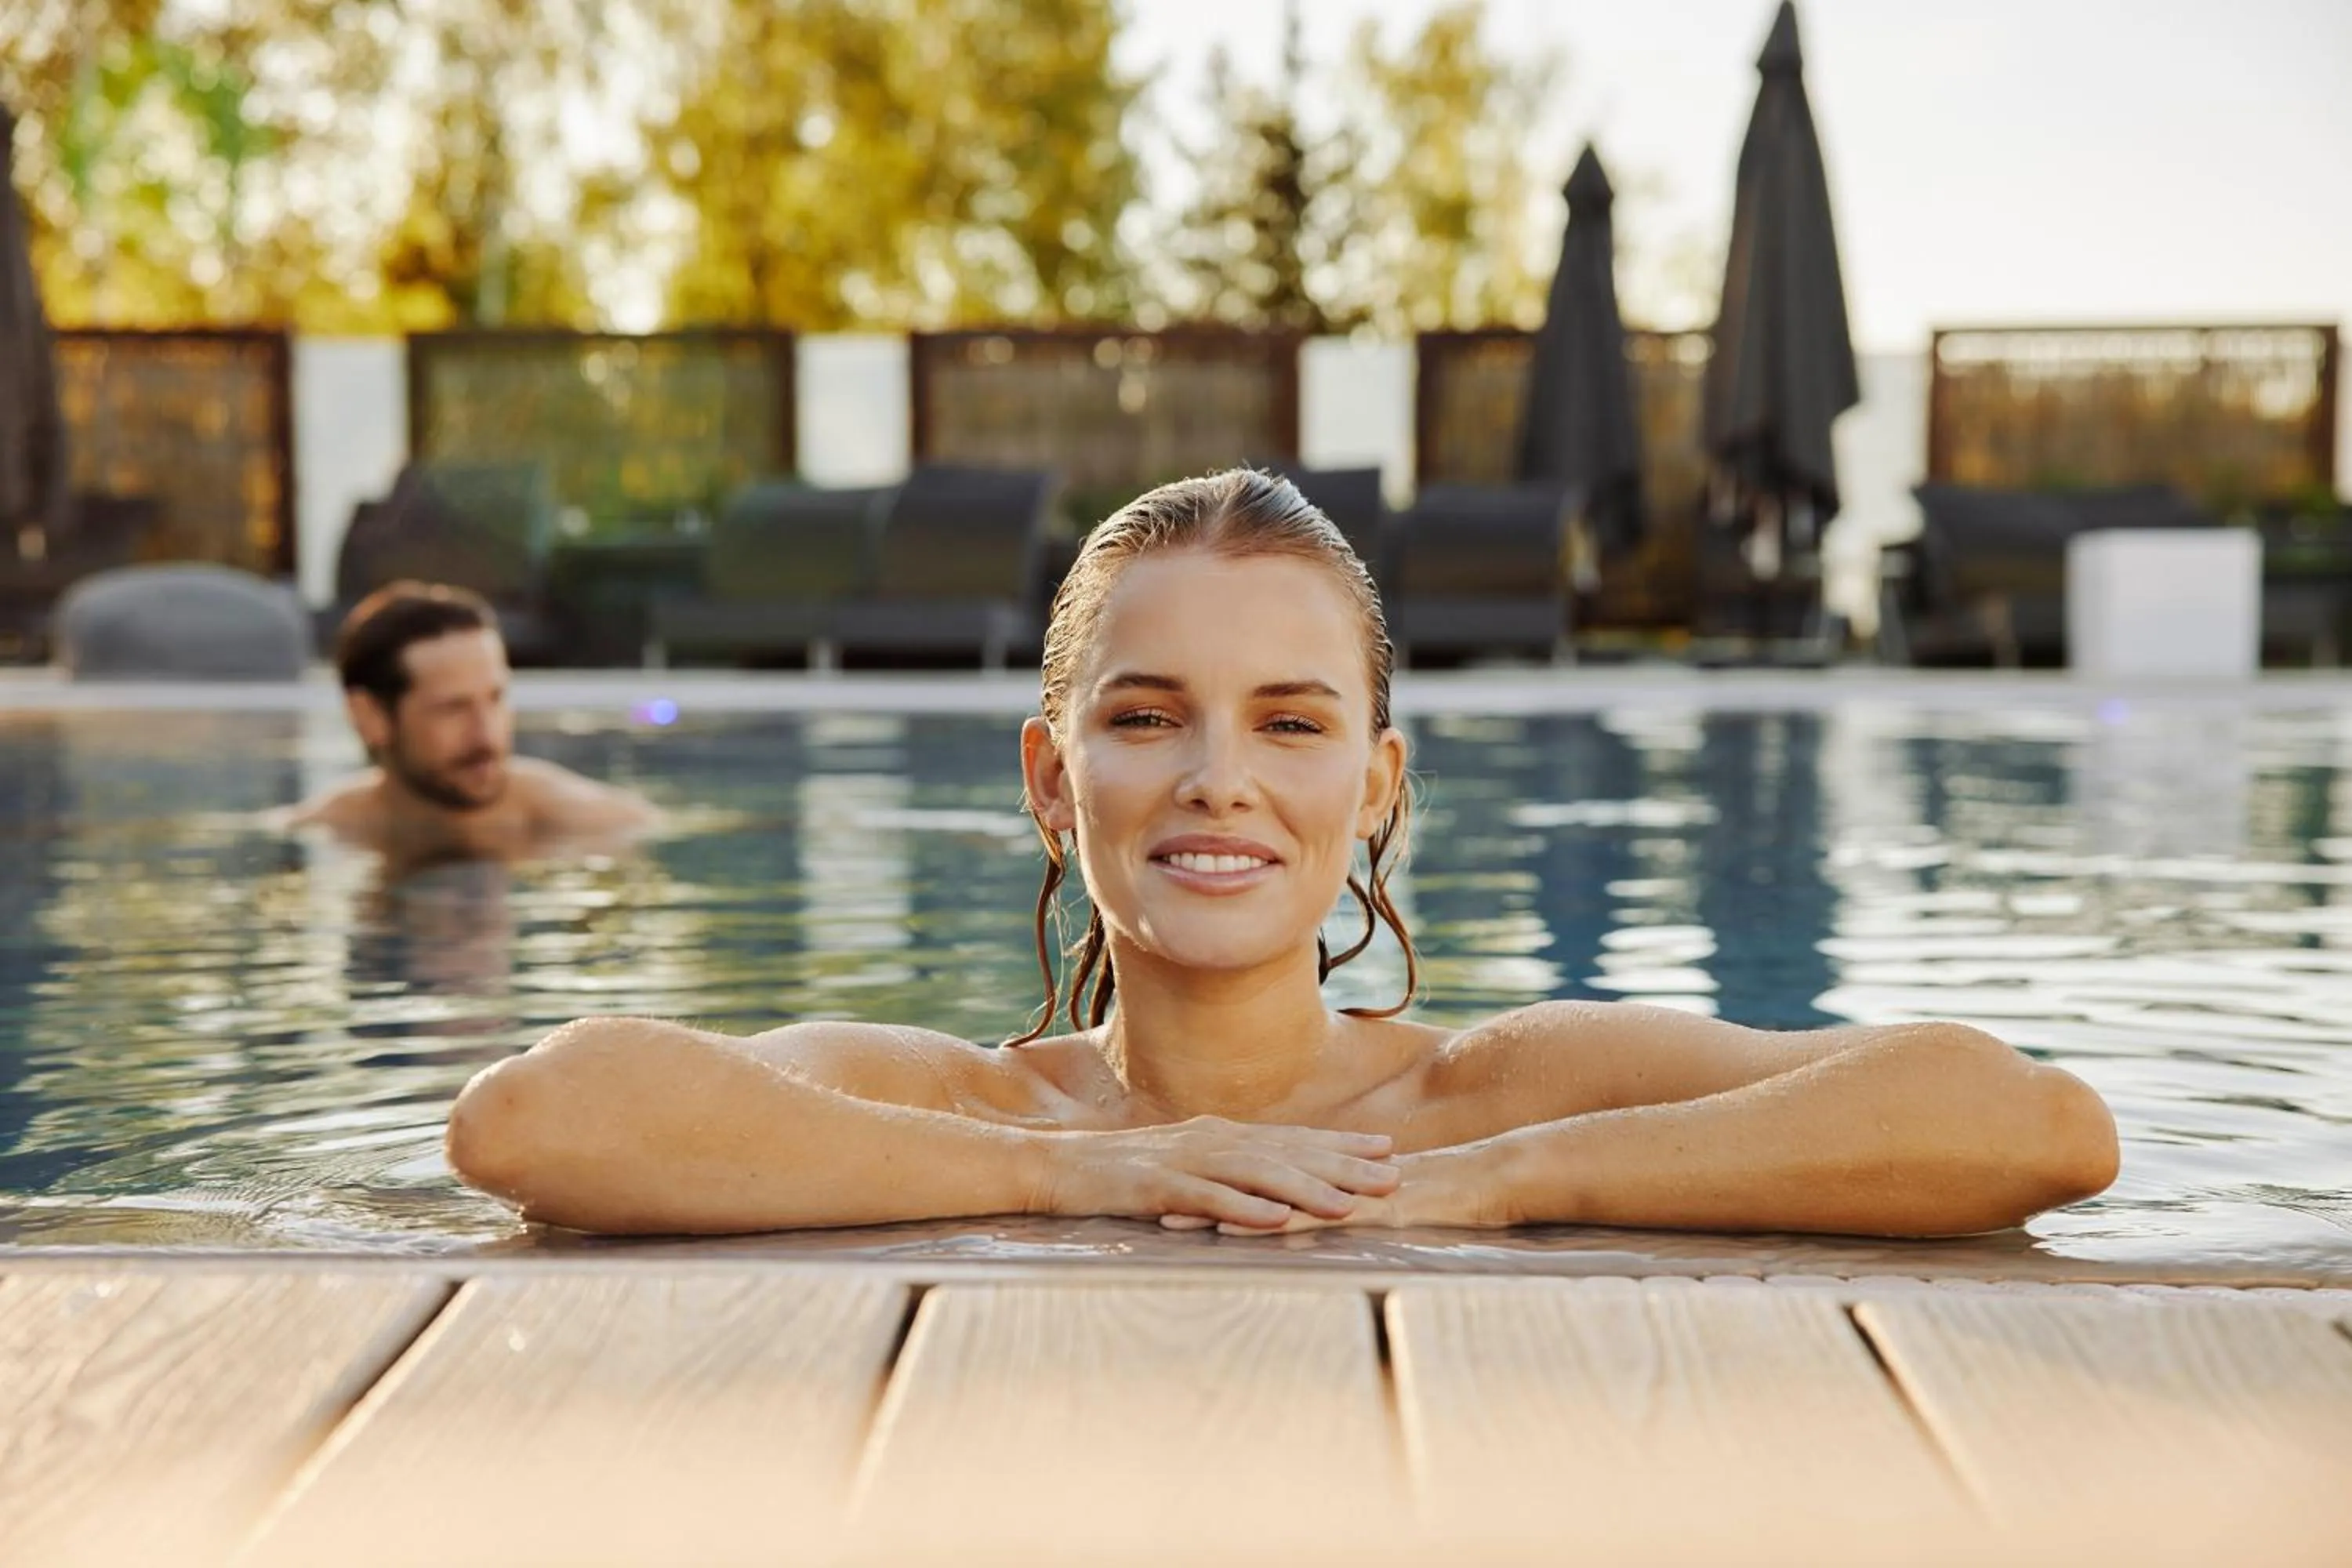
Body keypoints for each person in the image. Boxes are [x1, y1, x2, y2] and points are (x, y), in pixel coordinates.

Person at [445, 471, 2118, 1239]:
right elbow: (532, 1119)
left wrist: (1514, 1182)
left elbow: (2033, 1122)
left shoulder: (1495, 1098)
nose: (1218, 783)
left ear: (1379, 788)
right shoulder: (971, 1112)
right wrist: (1081, 1176)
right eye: (1148, 716)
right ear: (1051, 780)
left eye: (1292, 724)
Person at [292, 582, 657, 864]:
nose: (487, 734)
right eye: (453, 708)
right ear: (370, 717)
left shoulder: (599, 825)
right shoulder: (322, 831)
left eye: (495, 699)